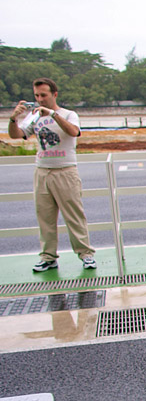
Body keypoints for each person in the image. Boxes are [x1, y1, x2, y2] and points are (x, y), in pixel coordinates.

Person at [8, 78, 96, 272]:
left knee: (74, 215)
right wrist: (13, 118)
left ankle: (86, 254)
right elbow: (16, 135)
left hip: (65, 170)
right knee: (45, 217)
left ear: (54, 95)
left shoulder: (68, 114)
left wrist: (53, 115)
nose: (40, 99)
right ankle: (48, 257)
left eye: (44, 95)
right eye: (37, 96)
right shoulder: (34, 116)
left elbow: (73, 132)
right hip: (42, 171)